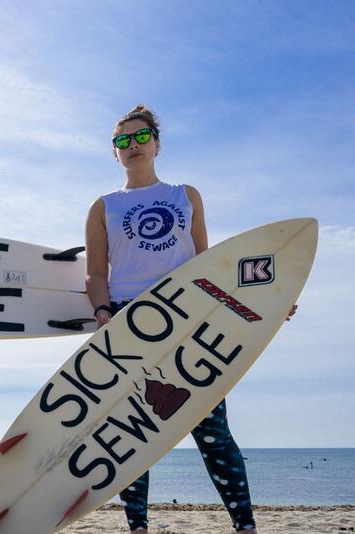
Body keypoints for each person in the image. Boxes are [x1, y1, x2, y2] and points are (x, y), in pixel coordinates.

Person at [84, 105, 259, 533]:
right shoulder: (104, 206)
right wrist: (104, 313)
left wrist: (258, 303)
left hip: (187, 317)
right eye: (122, 141)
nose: (133, 146)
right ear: (115, 153)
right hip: (128, 319)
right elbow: (95, 272)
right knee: (131, 429)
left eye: (140, 137)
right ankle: (138, 526)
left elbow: (208, 264)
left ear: (157, 144)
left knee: (212, 428)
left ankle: (245, 525)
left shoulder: (186, 195)